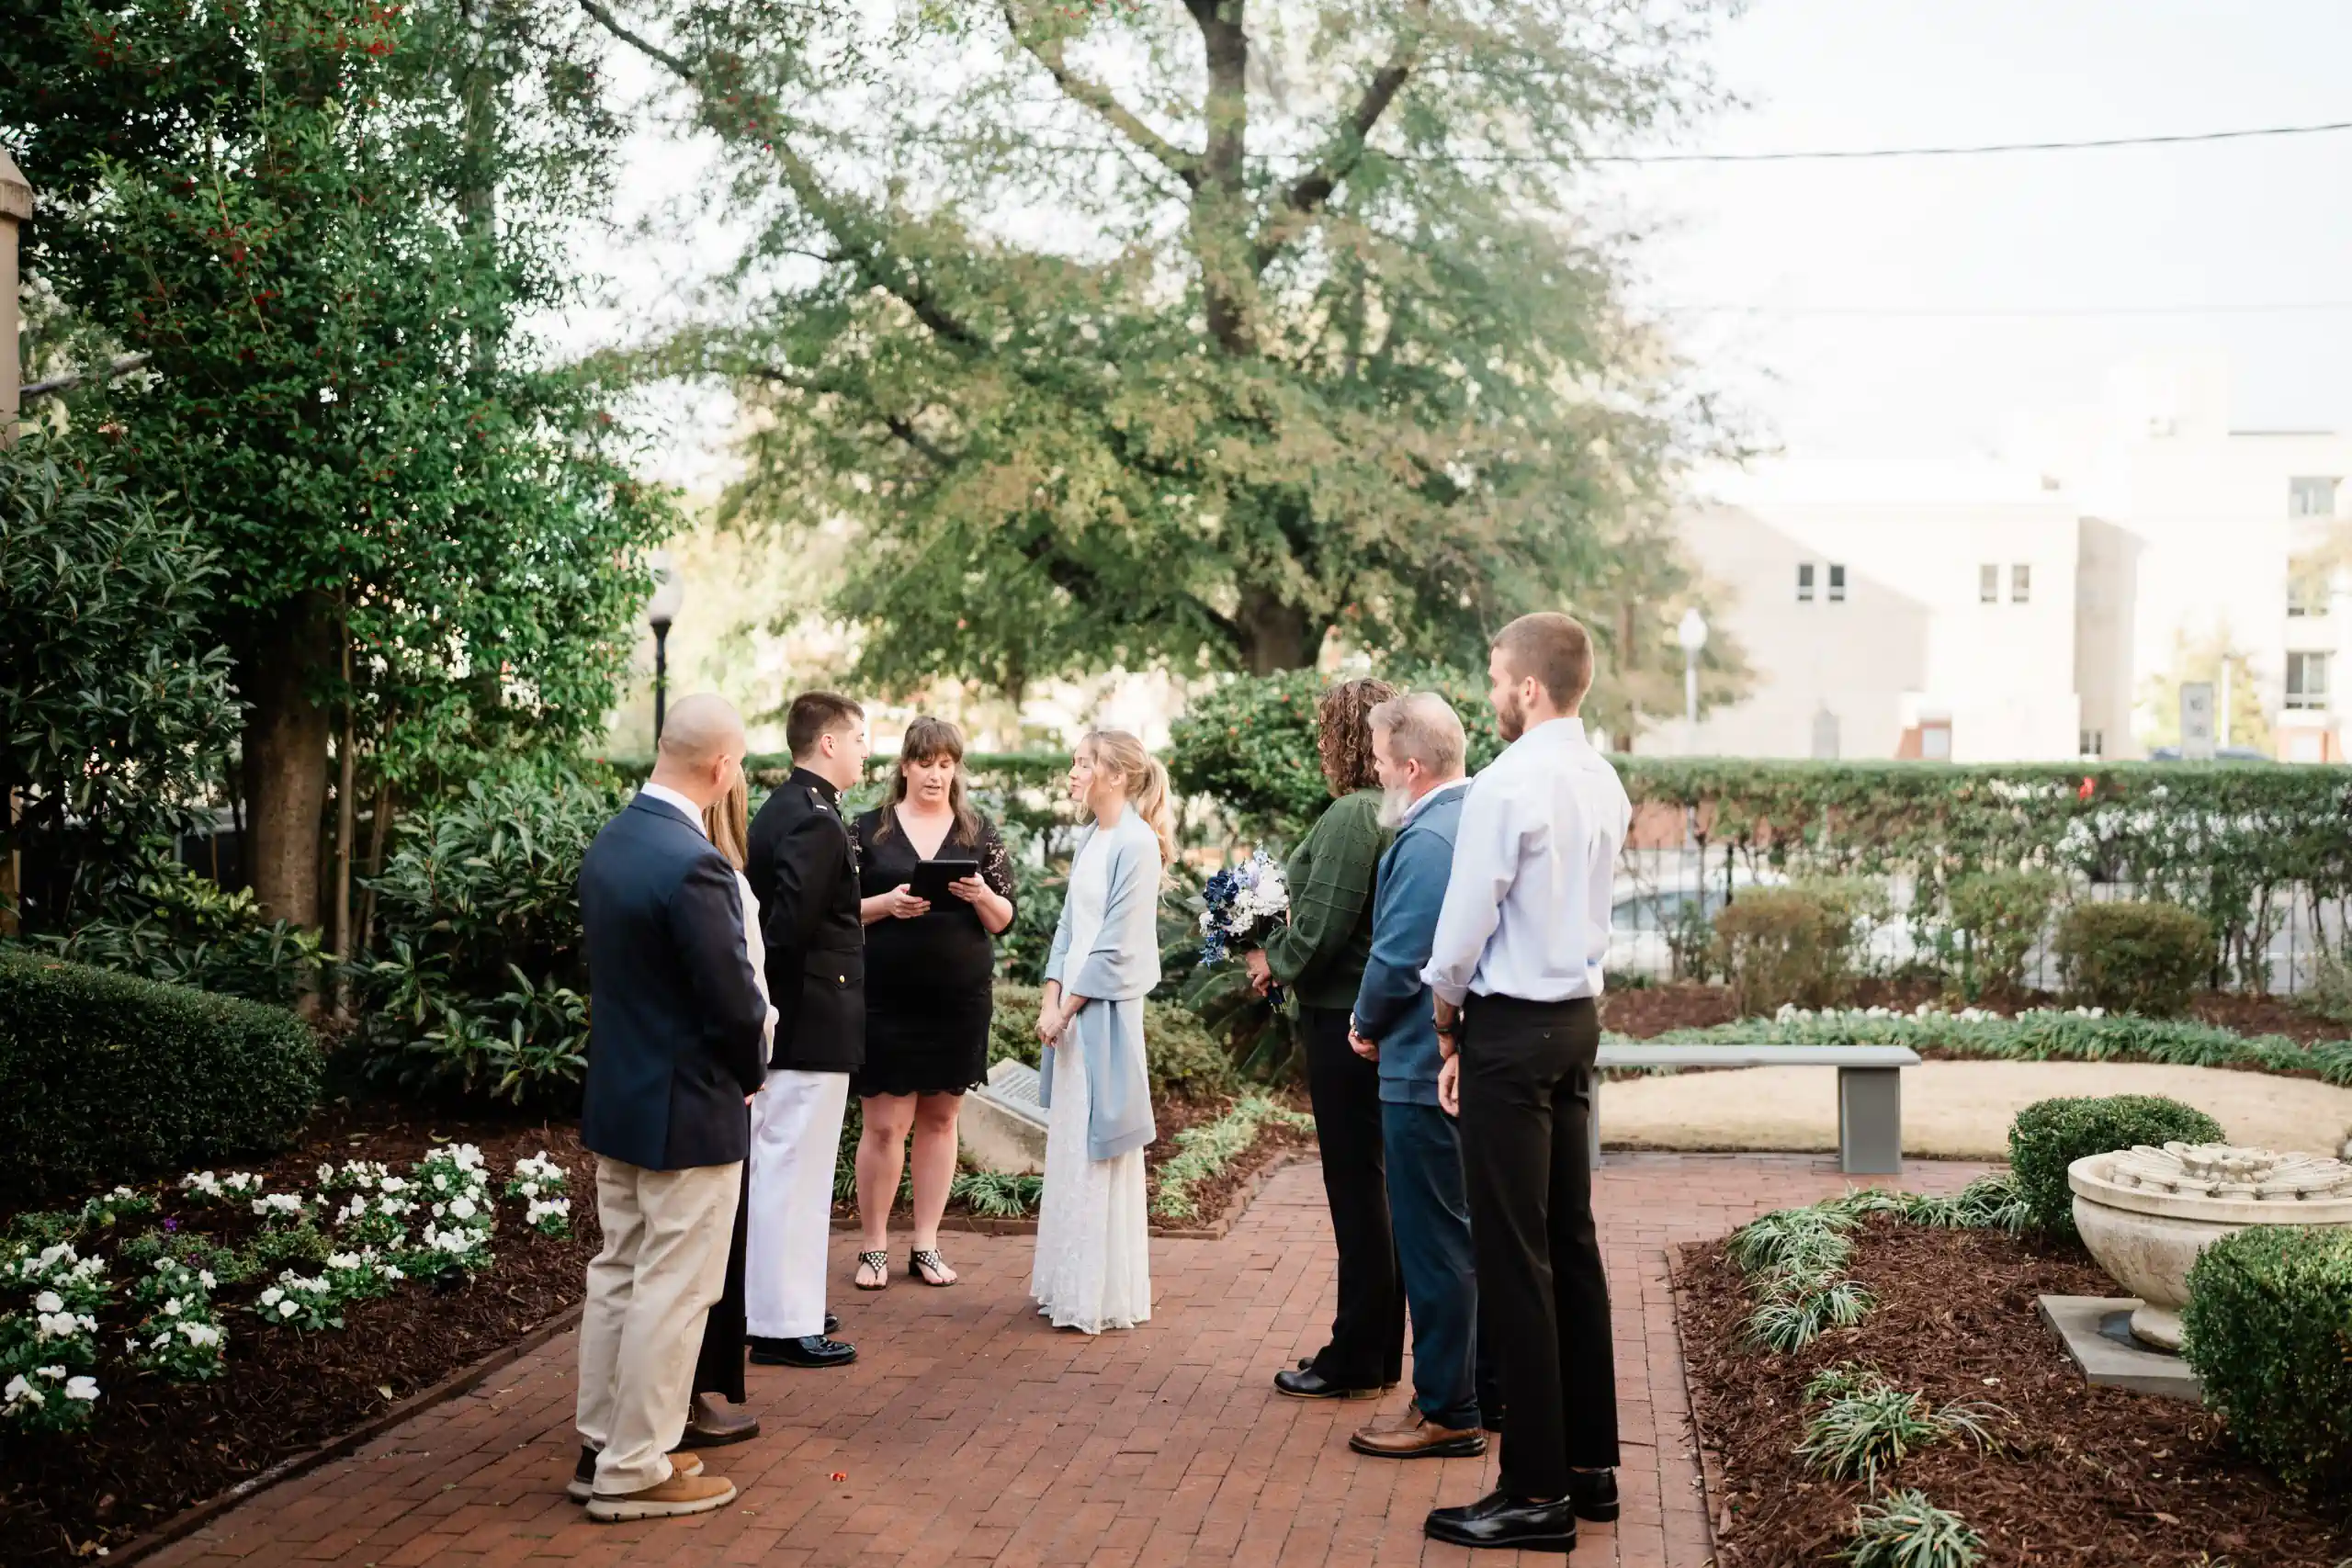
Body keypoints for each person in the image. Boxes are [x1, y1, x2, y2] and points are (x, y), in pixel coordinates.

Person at [1419, 614, 1631, 1554]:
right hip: (1576, 1023)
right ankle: (1589, 1468)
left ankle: (1534, 1491)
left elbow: (1465, 925)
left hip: (1508, 1028)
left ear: (1530, 689)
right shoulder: (1601, 776)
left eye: (1497, 677)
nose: (1491, 692)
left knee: (1514, 1256)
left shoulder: (1507, 783)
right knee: (1568, 1242)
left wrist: (1443, 1016)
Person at [571, 694, 769, 1522]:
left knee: (618, 1271)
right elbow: (731, 1000)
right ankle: (634, 1469)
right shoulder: (696, 864)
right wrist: (753, 1068)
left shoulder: (612, 842)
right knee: (674, 1289)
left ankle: (600, 1445)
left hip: (621, 1096)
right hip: (686, 1106)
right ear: (722, 770)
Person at [1342, 693, 1498, 1460]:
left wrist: (1364, 1023)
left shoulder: (1430, 834)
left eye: (1377, 760)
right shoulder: (1473, 818)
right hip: (1456, 1063)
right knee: (1462, 1233)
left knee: (1433, 1240)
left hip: (1417, 1067)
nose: (1376, 774)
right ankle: (1475, 1389)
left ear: (1411, 765)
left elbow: (1400, 952)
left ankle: (1446, 1406)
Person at [1246, 678, 1408, 1402]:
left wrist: (1268, 958)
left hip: (1342, 1018)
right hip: (1372, 1019)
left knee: (1356, 1188)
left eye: (1324, 732)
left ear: (1343, 736)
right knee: (1375, 1186)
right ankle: (1376, 1352)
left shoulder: (1352, 813)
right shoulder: (1395, 808)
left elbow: (1323, 927)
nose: (1318, 745)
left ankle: (1355, 1354)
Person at [849, 717, 1018, 1291]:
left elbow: (1003, 920)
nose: (936, 774)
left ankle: (925, 1243)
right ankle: (873, 1245)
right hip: (885, 997)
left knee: (941, 1120)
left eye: (946, 764)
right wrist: (886, 904)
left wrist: (982, 895)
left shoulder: (977, 832)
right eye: (925, 763)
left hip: (957, 999)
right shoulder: (867, 830)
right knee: (884, 1125)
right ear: (905, 767)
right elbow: (836, 909)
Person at [1030, 729, 1173, 1334]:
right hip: (1069, 1012)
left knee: (1101, 1141)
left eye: (1083, 763)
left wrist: (1070, 1008)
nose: (1073, 773)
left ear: (1115, 775)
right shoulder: (1092, 836)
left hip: (1104, 1015)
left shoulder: (1138, 845)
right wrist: (1049, 995)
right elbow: (1070, 927)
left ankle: (1097, 1290)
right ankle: (1064, 1281)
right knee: (1069, 1139)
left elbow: (1116, 942)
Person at [743, 692, 870, 1371]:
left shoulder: (785, 807)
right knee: (795, 1172)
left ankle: (780, 1305)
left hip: (798, 1022)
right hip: (809, 1022)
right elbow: (786, 933)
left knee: (783, 1168)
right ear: (827, 743)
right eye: (857, 739)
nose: (864, 751)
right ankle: (782, 1322)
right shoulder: (815, 821)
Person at [684, 767, 774, 1448]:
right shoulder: (722, 882)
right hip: (717, 1089)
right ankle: (683, 1400)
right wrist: (755, 1068)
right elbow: (745, 996)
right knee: (702, 1261)